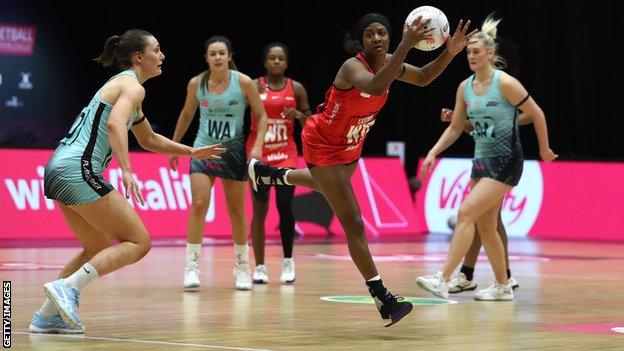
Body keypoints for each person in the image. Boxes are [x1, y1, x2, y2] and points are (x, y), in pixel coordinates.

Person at [248, 13, 476, 326]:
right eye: (370, 34)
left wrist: (449, 52)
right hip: (322, 142)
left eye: (383, 33)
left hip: (351, 145)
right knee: (354, 223)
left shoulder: (391, 63)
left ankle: (272, 175)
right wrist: (406, 46)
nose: (378, 38)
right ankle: (382, 297)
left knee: (327, 187)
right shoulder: (353, 67)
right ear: (362, 41)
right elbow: (377, 85)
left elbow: (423, 77)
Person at [28, 29, 226, 334]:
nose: (162, 56)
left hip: (57, 167)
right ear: (139, 57)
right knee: (139, 242)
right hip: (77, 169)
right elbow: (114, 123)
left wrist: (192, 151)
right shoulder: (133, 87)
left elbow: (148, 139)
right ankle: (68, 288)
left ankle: (46, 316)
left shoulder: (123, 87)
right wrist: (127, 170)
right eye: (156, 50)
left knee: (95, 248)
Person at [416, 14, 557, 301]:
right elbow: (456, 127)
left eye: (476, 51)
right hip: (481, 161)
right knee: (486, 226)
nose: (471, 55)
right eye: (468, 52)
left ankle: (443, 279)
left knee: (466, 212)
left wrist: (544, 150)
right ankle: (503, 286)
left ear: (490, 54)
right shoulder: (464, 87)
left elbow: (538, 113)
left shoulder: (505, 83)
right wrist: (433, 152)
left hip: (506, 161)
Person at [169, 36, 268, 291]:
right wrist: (174, 146)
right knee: (199, 204)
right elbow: (187, 113)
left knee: (236, 211)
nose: (217, 58)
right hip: (203, 149)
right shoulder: (196, 83)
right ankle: (191, 268)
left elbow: (262, 116)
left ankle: (242, 267)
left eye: (221, 53)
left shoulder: (244, 82)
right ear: (206, 58)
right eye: (212, 54)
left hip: (232, 151)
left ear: (229, 56)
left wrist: (257, 146)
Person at [438, 107, 533, 294]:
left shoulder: (502, 86)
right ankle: (470, 274)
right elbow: (480, 129)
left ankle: (499, 277)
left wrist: (508, 124)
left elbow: (533, 113)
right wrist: (457, 121)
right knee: (484, 219)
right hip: (484, 159)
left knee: (484, 218)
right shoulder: (471, 90)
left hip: (503, 160)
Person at [247, 42, 311, 285]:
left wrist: (299, 116)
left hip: (286, 153)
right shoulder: (253, 86)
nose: (276, 62)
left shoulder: (297, 88)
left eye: (280, 58)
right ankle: (260, 266)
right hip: (259, 155)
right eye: (272, 58)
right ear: (265, 62)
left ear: (286, 63)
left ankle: (288, 261)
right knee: (260, 210)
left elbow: (309, 123)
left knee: (285, 206)